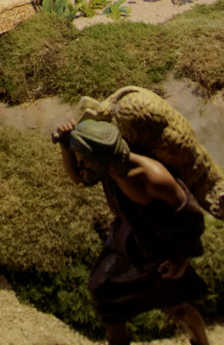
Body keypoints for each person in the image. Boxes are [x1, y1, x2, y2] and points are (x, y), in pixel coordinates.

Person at [52, 118, 210, 345]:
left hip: (159, 252)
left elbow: (191, 217)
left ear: (99, 160)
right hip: (128, 240)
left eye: (84, 161)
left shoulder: (152, 177)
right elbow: (78, 177)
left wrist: (181, 259)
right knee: (103, 294)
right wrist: (65, 144)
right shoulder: (108, 165)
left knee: (177, 306)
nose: (80, 166)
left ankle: (202, 343)